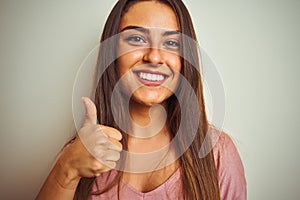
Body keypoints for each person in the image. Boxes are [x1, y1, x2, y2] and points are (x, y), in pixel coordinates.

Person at [36, 0, 246, 199]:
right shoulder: (79, 154)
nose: (154, 57)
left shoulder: (218, 153)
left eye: (171, 43)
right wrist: (66, 172)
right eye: (137, 39)